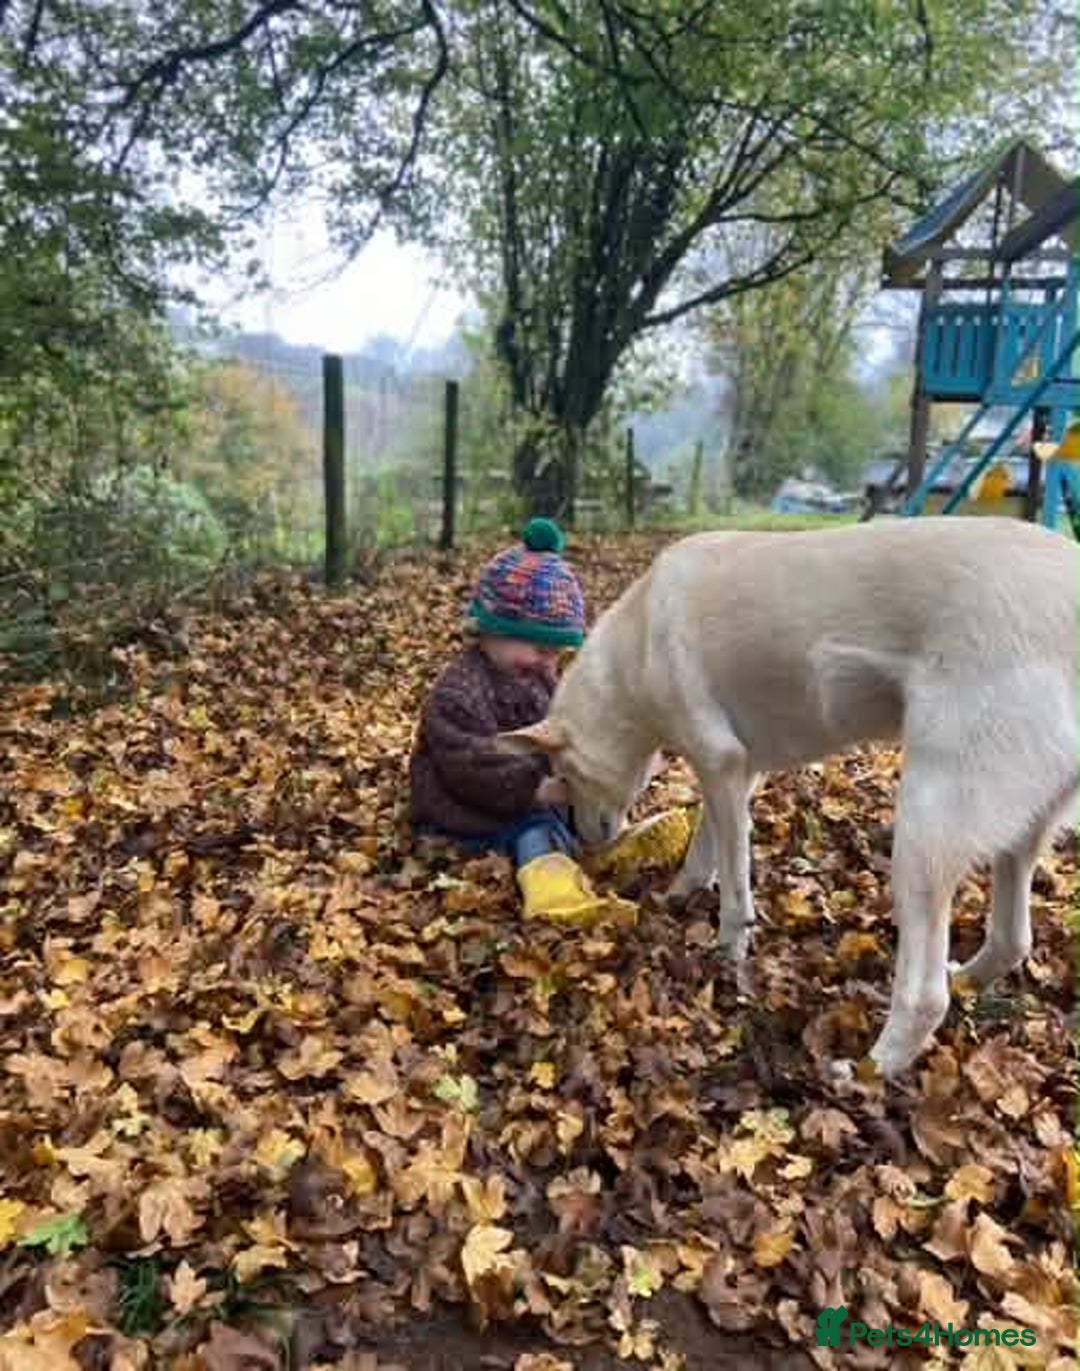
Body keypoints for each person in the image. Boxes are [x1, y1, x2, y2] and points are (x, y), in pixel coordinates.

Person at [409, 517, 636, 926]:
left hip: (525, 795)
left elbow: (556, 726)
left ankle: (610, 844)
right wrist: (541, 789)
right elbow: (471, 765)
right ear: (493, 629)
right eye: (538, 648)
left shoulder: (537, 676)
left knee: (576, 807)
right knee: (534, 830)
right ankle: (555, 896)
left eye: (555, 653)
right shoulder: (457, 692)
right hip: (466, 812)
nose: (547, 663)